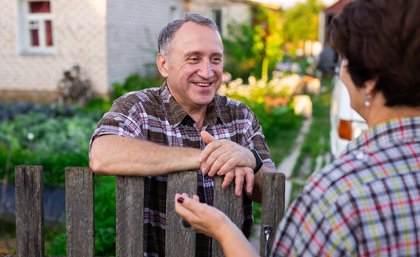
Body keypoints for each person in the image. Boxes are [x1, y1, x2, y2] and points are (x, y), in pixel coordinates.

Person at [175, 0, 420, 256]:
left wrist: (222, 228)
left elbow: (267, 186)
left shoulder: (338, 194)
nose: (340, 71)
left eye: (344, 60)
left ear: (369, 82)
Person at [89, 13, 276, 257]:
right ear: (164, 65)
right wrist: (208, 157)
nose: (207, 72)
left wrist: (252, 160)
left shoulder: (239, 115)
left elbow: (272, 194)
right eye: (193, 59)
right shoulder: (140, 108)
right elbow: (102, 155)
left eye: (215, 59)